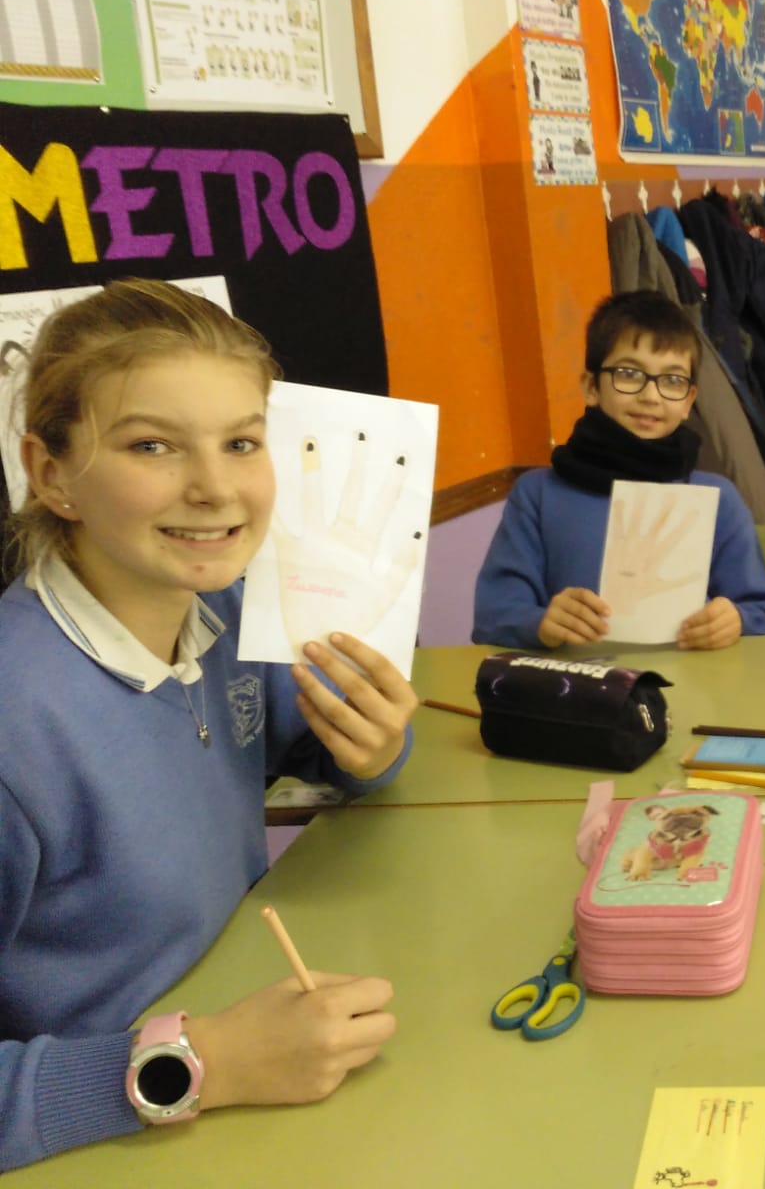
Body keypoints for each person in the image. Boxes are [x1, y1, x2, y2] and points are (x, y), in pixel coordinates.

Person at [0, 279, 418, 1171]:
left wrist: (373, 747)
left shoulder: (225, 615)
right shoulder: (17, 721)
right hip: (109, 1134)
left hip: (242, 1057)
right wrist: (207, 1063)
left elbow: (321, 747)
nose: (217, 488)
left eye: (241, 443)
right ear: (51, 473)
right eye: (152, 445)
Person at [472, 290, 765, 650]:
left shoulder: (717, 498)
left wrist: (736, 621)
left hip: (691, 679)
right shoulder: (538, 494)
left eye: (672, 380)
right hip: (572, 680)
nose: (650, 396)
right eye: (629, 374)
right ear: (591, 386)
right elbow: (493, 616)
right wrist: (539, 623)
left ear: (688, 401)